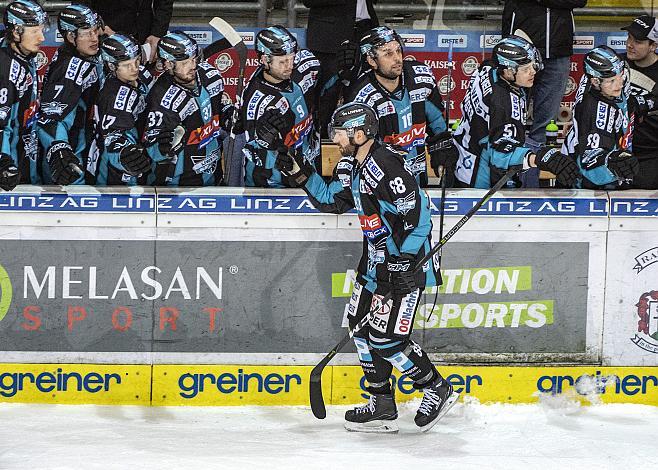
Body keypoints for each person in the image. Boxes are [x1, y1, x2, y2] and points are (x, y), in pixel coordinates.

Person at [276, 102, 458, 433]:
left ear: (360, 134)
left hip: (403, 267)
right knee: (359, 329)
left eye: (340, 132)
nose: (336, 138)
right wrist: (300, 172)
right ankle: (382, 403)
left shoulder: (387, 165)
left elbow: (419, 216)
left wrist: (405, 259)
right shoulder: (353, 165)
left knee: (387, 340)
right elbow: (332, 200)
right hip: (373, 267)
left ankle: (436, 388)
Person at [454, 35, 579, 189]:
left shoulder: (488, 68)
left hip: (464, 156)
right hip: (481, 179)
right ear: (507, 71)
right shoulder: (502, 104)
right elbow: (500, 156)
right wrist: (539, 158)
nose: (533, 72)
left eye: (533, 66)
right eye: (526, 69)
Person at [343, 26, 455, 187]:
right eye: (388, 54)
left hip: (418, 175)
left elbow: (436, 119)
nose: (397, 58)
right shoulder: (362, 98)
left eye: (398, 51)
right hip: (383, 184)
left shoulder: (421, 77)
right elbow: (358, 151)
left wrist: (441, 151)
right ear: (371, 61)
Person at [143, 31, 232, 186]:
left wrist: (228, 114)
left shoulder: (211, 76)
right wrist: (163, 147)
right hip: (179, 185)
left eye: (193, 59)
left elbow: (219, 110)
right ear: (168, 64)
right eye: (184, 63)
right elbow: (154, 151)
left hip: (214, 176)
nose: (193, 66)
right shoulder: (160, 98)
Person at [562, 46, 657, 189]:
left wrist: (650, 103)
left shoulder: (608, 80)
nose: (619, 84)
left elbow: (627, 101)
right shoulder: (596, 112)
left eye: (621, 77)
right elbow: (591, 164)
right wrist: (612, 163)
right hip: (586, 184)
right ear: (595, 82)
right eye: (612, 80)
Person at [239, 25, 321, 188]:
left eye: (291, 58)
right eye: (282, 61)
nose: (289, 65)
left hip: (309, 172)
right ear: (264, 60)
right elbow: (253, 152)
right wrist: (266, 145)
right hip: (271, 183)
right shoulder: (258, 102)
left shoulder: (306, 64)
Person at [502, 0, 587, 151]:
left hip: (558, 51)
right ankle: (507, 165)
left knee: (546, 123)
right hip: (520, 51)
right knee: (510, 116)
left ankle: (532, 169)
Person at [37, 3, 104, 185]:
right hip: (71, 165)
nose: (94, 38)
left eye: (95, 30)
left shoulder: (84, 57)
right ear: (70, 36)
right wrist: (61, 153)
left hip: (83, 157)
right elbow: (52, 117)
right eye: (86, 33)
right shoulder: (70, 68)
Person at [303, 0, 378, 137]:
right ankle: (323, 148)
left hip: (365, 31)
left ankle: (364, 148)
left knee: (365, 92)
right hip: (330, 38)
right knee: (327, 98)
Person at [94, 33, 155, 185]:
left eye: (136, 61)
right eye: (127, 65)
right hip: (116, 171)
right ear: (111, 66)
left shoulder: (143, 74)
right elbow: (113, 137)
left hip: (142, 151)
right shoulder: (114, 97)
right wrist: (124, 155)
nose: (135, 68)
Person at [0, 0, 47, 189]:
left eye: (42, 30)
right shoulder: (5, 68)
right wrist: (3, 162)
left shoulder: (23, 54)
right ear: (16, 31)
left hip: (24, 152)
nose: (42, 37)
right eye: (35, 31)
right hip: (9, 167)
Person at [622, 15, 658, 189]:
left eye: (638, 41)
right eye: (629, 38)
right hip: (616, 150)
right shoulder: (615, 64)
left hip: (651, 153)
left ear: (653, 46)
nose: (629, 44)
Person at [80, 0, 173, 64]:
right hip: (106, 36)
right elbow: (80, 5)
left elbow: (164, 3)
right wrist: (100, 26)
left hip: (144, 37)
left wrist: (157, 33)